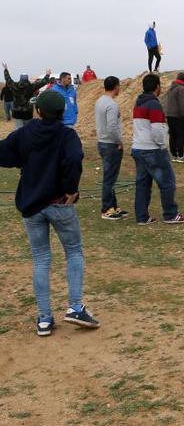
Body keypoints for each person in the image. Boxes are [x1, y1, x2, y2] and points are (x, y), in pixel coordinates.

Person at [0, 90, 102, 336]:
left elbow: (4, 152)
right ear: (62, 112)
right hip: (60, 203)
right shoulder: (67, 135)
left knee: (41, 259)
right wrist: (71, 188)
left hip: (31, 205)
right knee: (74, 252)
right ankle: (75, 307)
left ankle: (44, 319)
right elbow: (75, 157)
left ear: (38, 111)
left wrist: (25, 160)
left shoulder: (26, 132)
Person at [131, 74, 184, 225]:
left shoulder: (138, 102)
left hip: (138, 147)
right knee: (167, 182)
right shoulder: (154, 104)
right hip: (152, 149)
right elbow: (157, 129)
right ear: (157, 87)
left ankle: (141, 217)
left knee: (143, 184)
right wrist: (162, 146)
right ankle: (170, 214)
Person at [95, 76, 128, 220]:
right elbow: (112, 127)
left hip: (102, 142)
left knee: (110, 177)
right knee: (109, 178)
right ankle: (107, 209)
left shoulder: (100, 101)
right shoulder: (111, 105)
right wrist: (119, 141)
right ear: (116, 86)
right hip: (111, 144)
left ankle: (113, 207)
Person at [3, 64, 51, 129]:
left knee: (18, 129)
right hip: (28, 111)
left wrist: (6, 70)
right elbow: (43, 82)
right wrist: (47, 74)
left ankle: (19, 138)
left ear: (20, 78)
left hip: (17, 111)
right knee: (28, 129)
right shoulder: (31, 86)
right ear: (27, 78)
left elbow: (8, 79)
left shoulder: (14, 86)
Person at [164, 72, 184, 163]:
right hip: (178, 116)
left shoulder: (171, 88)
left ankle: (174, 155)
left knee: (173, 135)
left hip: (169, 115)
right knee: (181, 135)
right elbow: (182, 104)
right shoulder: (181, 89)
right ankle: (181, 156)